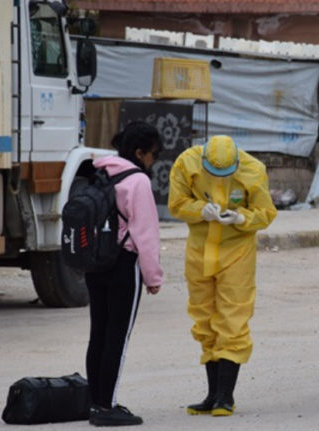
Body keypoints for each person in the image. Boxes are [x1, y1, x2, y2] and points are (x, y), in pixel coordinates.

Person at [168, 135, 277, 417]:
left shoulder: (253, 169)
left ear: (237, 161)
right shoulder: (186, 163)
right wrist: (199, 210)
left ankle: (225, 397)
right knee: (204, 318)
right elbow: (177, 203)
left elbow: (265, 212)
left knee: (233, 319)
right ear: (203, 160)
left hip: (237, 253)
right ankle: (212, 395)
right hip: (200, 251)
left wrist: (242, 218)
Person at [86, 121, 164, 427]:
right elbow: (145, 234)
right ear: (139, 152)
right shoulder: (138, 181)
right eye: (153, 154)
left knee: (99, 335)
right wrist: (153, 277)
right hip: (122, 265)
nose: (153, 161)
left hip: (95, 263)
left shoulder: (100, 171)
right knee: (117, 338)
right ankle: (107, 407)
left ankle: (96, 402)